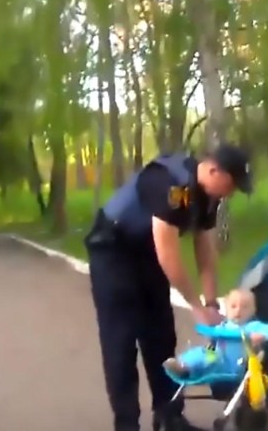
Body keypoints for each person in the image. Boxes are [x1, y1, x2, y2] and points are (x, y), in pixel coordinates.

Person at [85, 144, 253, 431]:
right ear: (214, 170)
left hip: (146, 253)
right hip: (113, 250)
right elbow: (167, 251)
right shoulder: (174, 185)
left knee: (161, 334)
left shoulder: (209, 196)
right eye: (232, 183)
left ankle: (169, 416)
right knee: (121, 341)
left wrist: (211, 302)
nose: (232, 191)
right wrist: (196, 306)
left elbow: (204, 248)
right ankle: (126, 425)